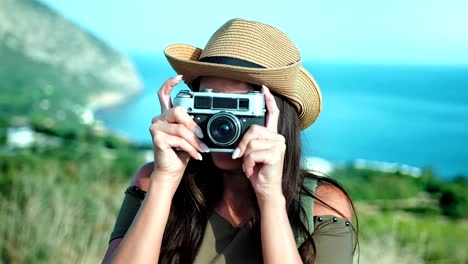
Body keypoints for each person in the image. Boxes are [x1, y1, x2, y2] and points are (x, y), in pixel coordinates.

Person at [102, 18, 357, 264]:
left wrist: (270, 199)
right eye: (210, 103)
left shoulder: (321, 206)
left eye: (239, 106)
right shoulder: (153, 182)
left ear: (278, 115)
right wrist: (164, 182)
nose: (222, 123)